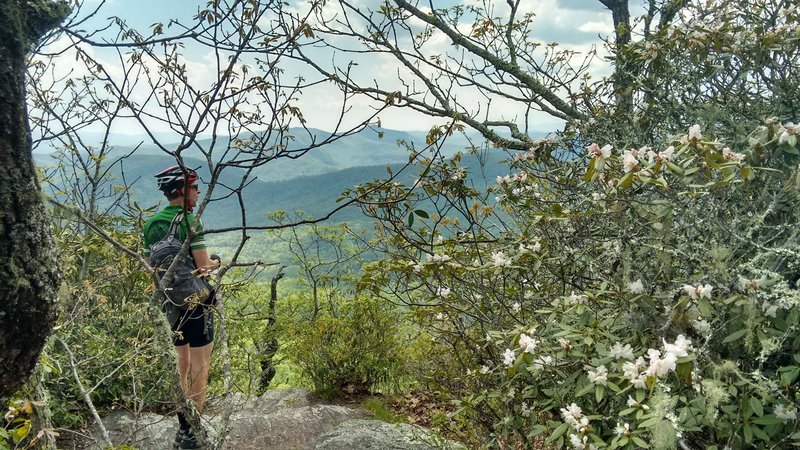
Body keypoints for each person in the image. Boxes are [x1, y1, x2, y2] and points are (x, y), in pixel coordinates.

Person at [142, 165, 219, 449]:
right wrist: (217, 261)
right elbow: (203, 267)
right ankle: (193, 429)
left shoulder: (151, 224)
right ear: (182, 190)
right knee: (200, 363)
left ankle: (181, 426)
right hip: (198, 303)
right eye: (195, 187)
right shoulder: (190, 221)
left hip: (170, 302)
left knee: (180, 363)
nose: (198, 192)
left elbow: (152, 268)